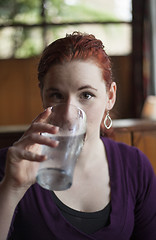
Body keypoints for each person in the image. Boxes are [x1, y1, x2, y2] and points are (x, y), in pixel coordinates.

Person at [0, 32, 156, 240]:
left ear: (110, 97)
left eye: (86, 95)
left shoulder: (134, 166)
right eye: (57, 95)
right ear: (42, 95)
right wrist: (12, 187)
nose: (67, 114)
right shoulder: (9, 166)